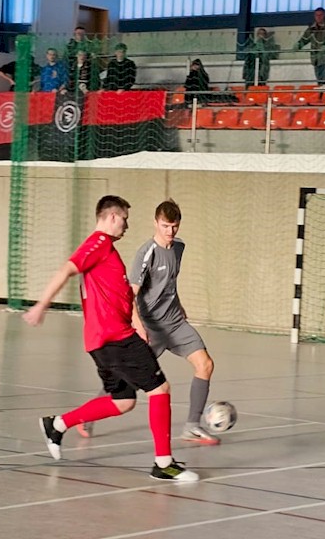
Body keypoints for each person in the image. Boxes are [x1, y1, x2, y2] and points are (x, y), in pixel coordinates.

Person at [23, 195, 199, 482]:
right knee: (160, 389)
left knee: (122, 401)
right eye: (125, 219)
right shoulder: (98, 243)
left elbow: (115, 295)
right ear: (113, 217)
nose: (127, 226)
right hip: (115, 338)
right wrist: (42, 304)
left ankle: (57, 424)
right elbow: (67, 268)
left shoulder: (107, 250)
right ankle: (163, 463)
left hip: (104, 340)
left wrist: (134, 320)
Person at [131, 200, 220, 443]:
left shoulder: (179, 247)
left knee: (206, 365)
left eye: (174, 226)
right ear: (155, 223)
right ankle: (88, 416)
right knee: (127, 383)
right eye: (165, 225)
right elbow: (131, 295)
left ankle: (192, 426)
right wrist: (139, 327)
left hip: (175, 322)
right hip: (152, 327)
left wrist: (177, 303)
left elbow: (169, 281)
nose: (170, 231)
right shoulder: (145, 253)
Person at [295, 7, 325, 85]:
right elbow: (305, 38)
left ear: (324, 15)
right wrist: (298, 45)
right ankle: (321, 95)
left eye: (320, 15)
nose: (318, 17)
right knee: (319, 80)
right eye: (316, 15)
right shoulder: (312, 28)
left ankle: (324, 95)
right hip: (316, 59)